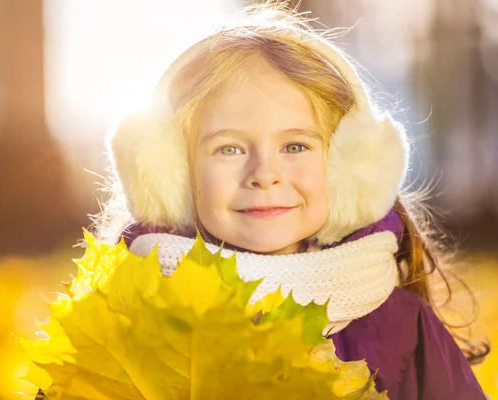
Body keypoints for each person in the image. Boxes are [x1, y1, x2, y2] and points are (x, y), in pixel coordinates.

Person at [94, 4, 489, 400]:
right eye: (228, 149)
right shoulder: (128, 319)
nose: (264, 173)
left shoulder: (401, 327)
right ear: (172, 175)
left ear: (349, 167)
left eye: (295, 145)